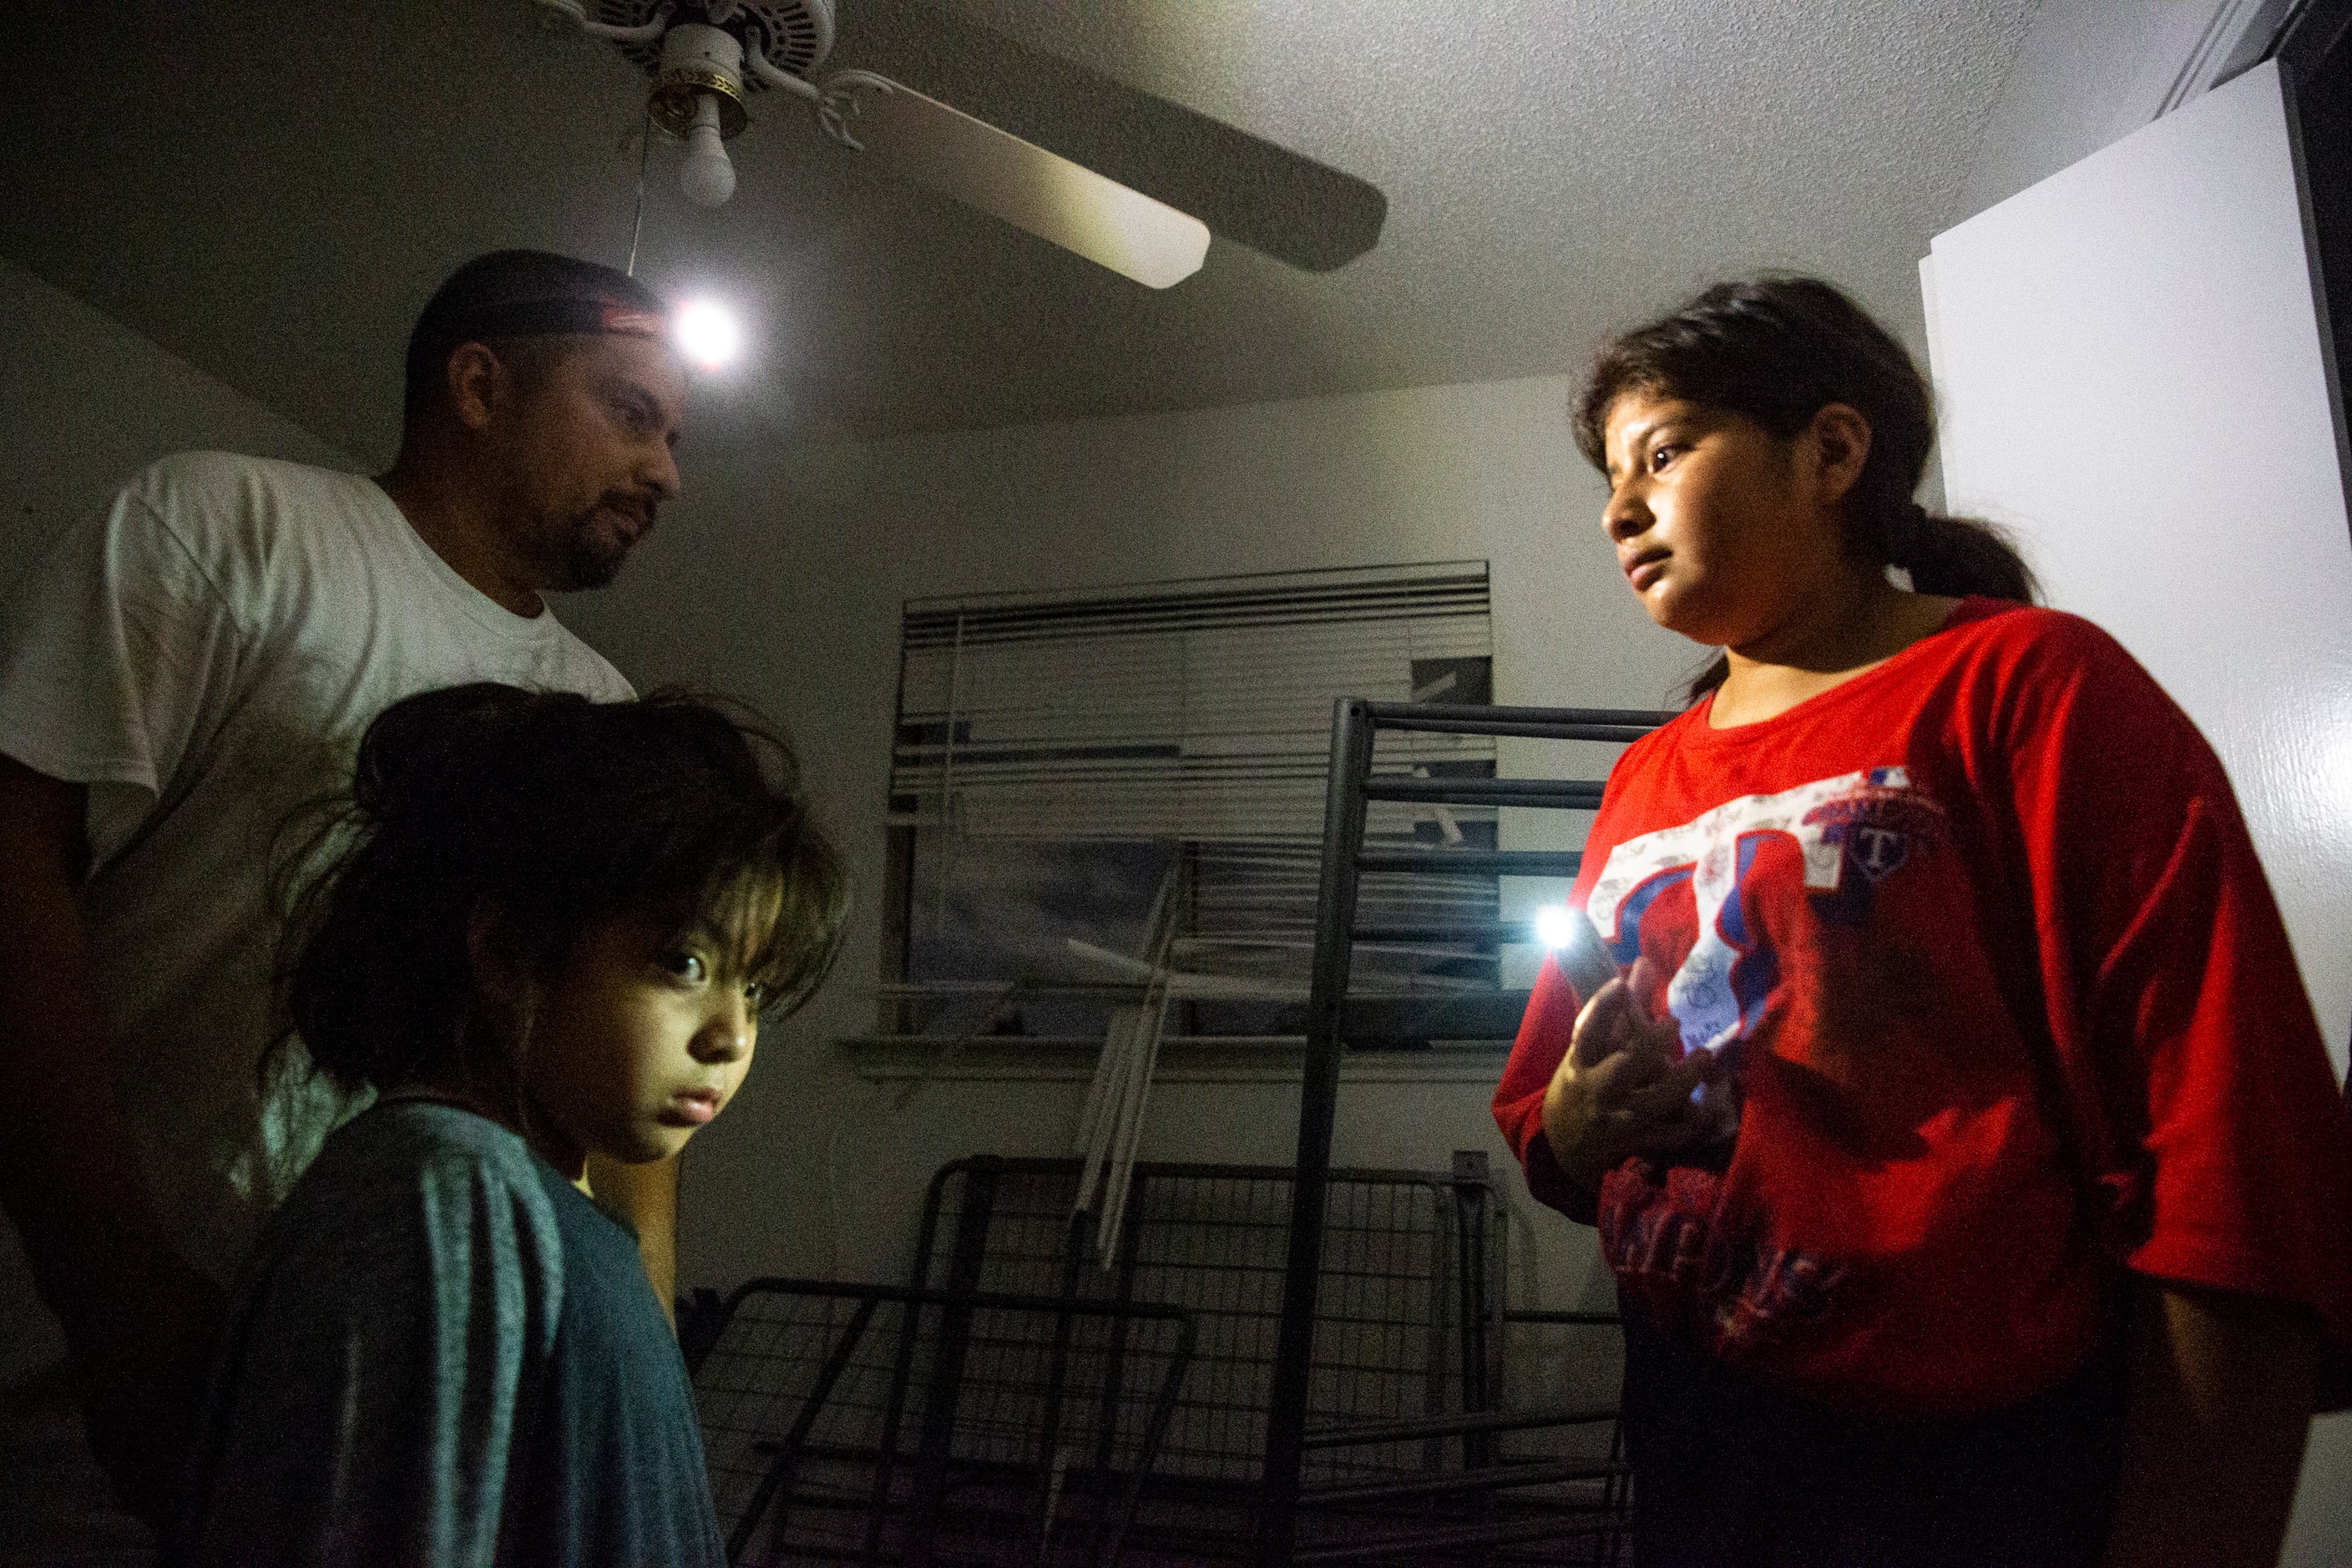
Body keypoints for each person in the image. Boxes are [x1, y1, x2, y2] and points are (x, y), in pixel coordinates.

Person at [1490, 276, 2352, 1567]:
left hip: (1965, 1474)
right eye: (1610, 477)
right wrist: (1570, 1124)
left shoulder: (2029, 686)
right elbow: (1552, 1116)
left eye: (1662, 453)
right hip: (1693, 1438)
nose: (1619, 508)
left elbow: (2227, 1147)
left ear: (1832, 450)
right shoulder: (1642, 779)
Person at [0, 248, 690, 1548]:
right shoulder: (224, 526)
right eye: (631, 413)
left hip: (399, 1419)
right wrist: (118, 1298)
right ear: (479, 386)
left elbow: (619, 1073)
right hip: (86, 1398)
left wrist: (635, 1340)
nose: (666, 471)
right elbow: (10, 865)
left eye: (676, 436)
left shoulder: (602, 711)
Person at [175, 682, 847, 1563]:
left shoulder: (529, 1204)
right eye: (684, 963)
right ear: (505, 951)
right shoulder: (448, 1199)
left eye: (753, 987)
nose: (732, 1036)